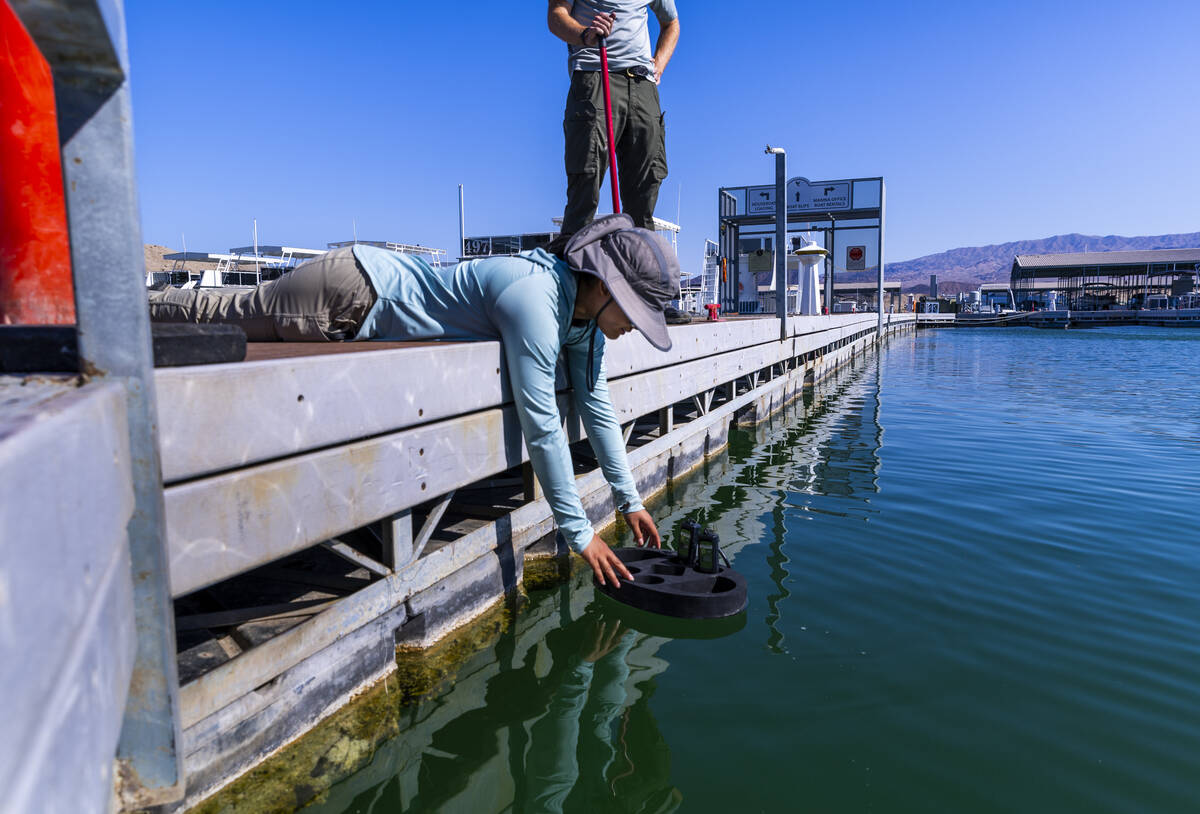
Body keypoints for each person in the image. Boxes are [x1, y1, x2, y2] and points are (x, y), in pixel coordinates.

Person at [148, 214, 679, 587]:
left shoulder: (580, 323)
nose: (634, 328)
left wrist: (628, 499)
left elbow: (595, 403)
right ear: (606, 287)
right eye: (635, 314)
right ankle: (134, 304)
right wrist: (581, 534)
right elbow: (542, 424)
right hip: (351, 294)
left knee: (223, 310)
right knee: (220, 311)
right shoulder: (536, 299)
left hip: (366, 298)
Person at [547, 0, 679, 237]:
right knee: (585, 186)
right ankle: (575, 269)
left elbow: (671, 24)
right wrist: (585, 34)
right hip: (595, 75)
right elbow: (557, 15)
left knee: (645, 189)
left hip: (642, 84)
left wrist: (658, 64)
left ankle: (637, 267)